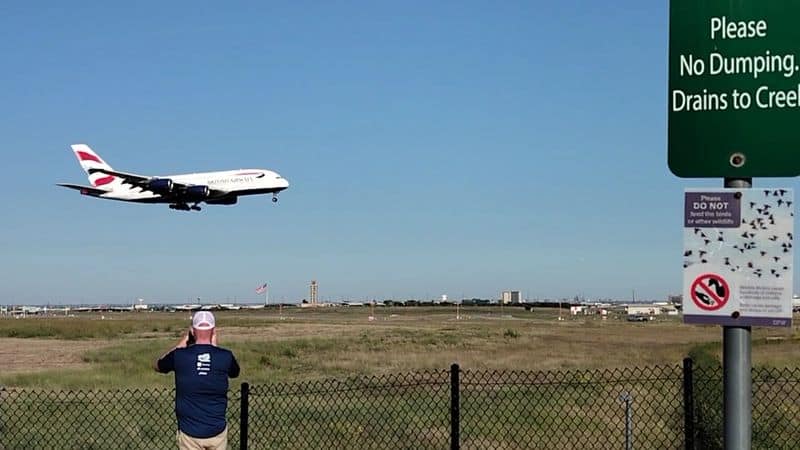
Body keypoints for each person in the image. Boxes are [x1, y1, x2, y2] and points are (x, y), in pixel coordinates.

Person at [155, 311, 240, 450]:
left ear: (192, 331)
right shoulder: (225, 356)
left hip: (189, 432)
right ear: (213, 331)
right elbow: (235, 373)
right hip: (216, 431)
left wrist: (182, 343)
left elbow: (158, 365)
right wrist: (214, 348)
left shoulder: (179, 356)